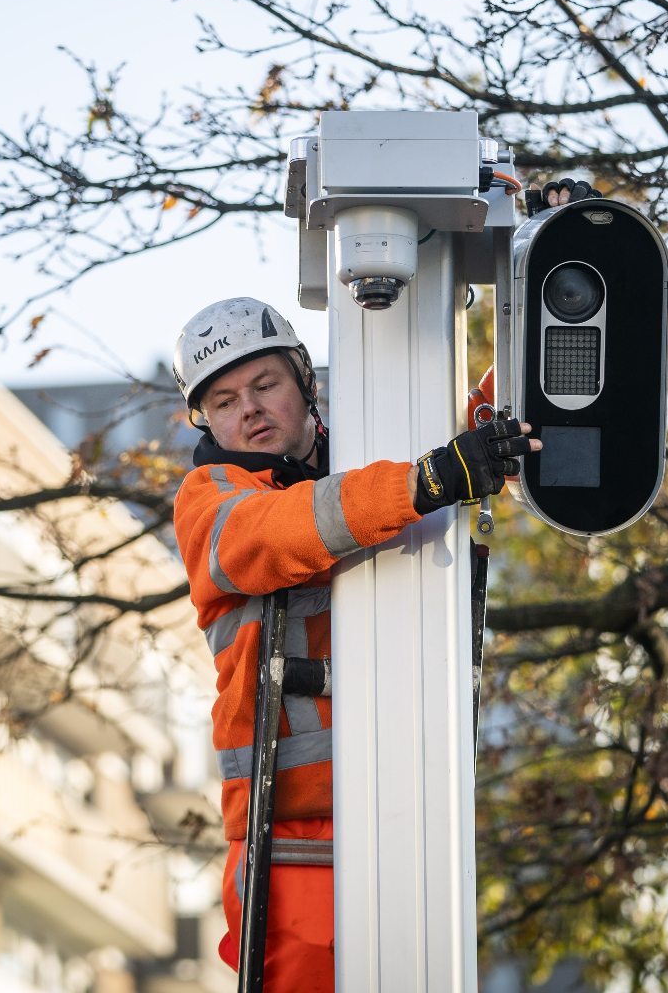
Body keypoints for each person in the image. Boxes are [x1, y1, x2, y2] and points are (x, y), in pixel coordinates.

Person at [169, 297, 536, 993]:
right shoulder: (209, 497)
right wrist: (424, 482)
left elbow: (496, 417)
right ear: (206, 420)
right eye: (223, 400)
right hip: (292, 841)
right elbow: (278, 531)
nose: (247, 409)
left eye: (264, 384)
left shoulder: (378, 441)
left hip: (414, 811)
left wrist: (537, 271)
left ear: (305, 380)